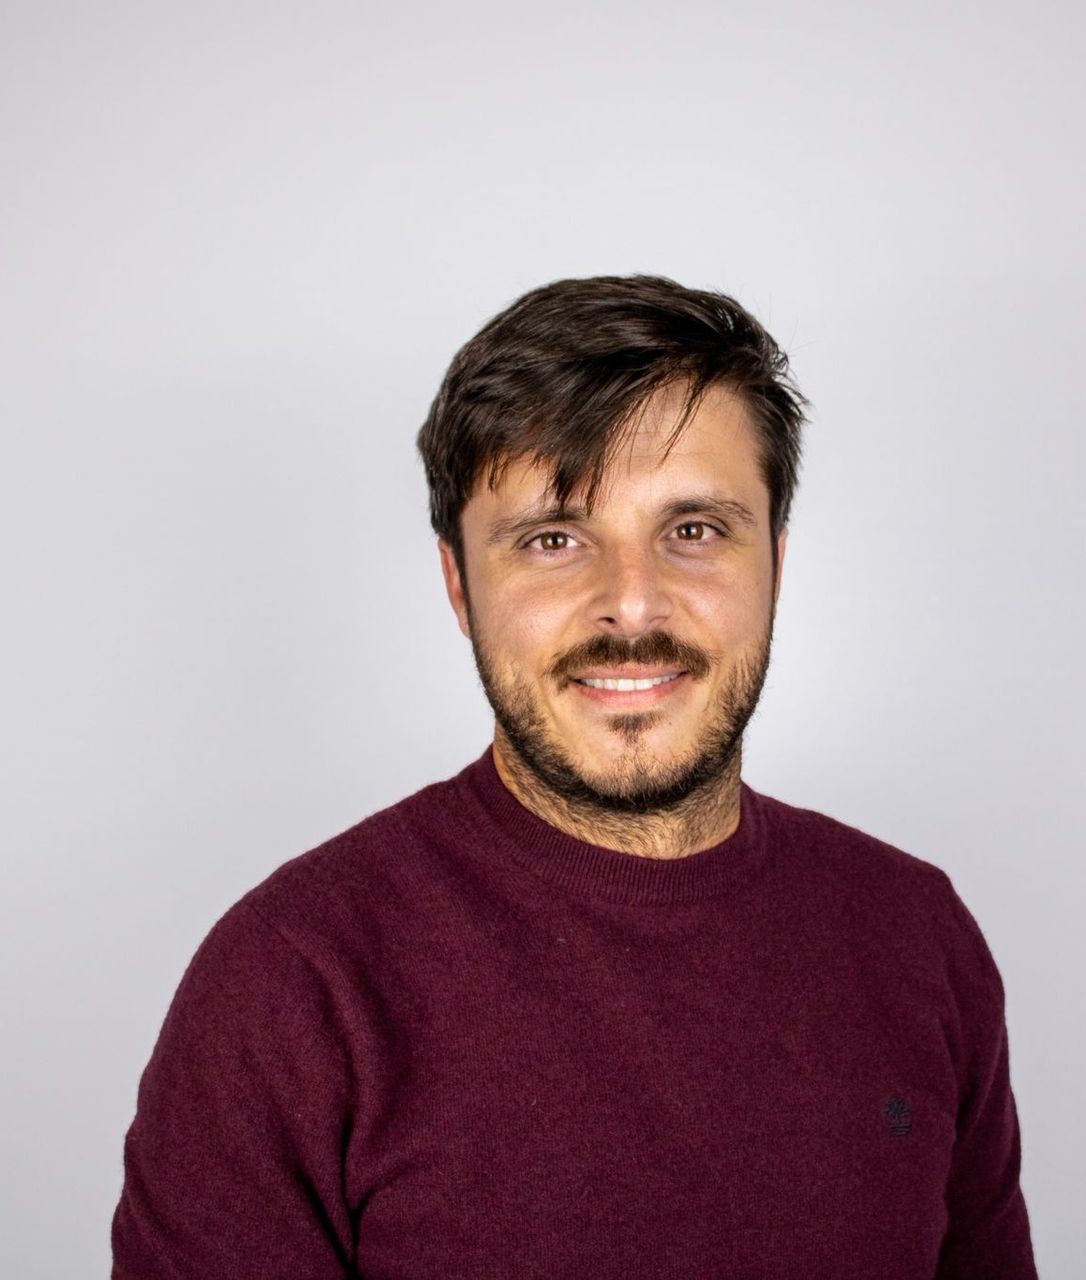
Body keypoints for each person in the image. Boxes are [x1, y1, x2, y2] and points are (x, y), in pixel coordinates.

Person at [112, 275, 1037, 1278]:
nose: (631, 604)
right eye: (553, 539)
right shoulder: (291, 986)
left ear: (774, 560)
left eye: (693, 530)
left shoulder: (916, 934)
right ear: (459, 584)